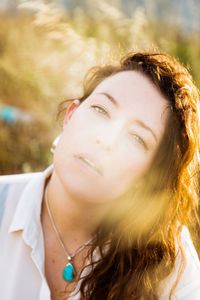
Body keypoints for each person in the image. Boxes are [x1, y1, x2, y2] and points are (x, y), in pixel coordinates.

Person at [0, 51, 200, 300]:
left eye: (136, 138)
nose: (106, 139)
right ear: (70, 115)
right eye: (101, 110)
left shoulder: (167, 260)